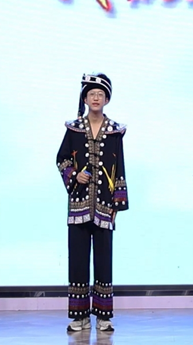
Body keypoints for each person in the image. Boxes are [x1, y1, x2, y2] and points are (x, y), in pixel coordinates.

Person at [56, 73, 129, 333]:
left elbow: (119, 167)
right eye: (91, 94)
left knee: (103, 260)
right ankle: (79, 316)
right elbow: (62, 159)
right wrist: (75, 175)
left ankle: (103, 316)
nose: (96, 98)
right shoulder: (74, 128)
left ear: (107, 99)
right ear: (85, 98)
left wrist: (117, 204)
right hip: (79, 204)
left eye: (100, 94)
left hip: (105, 205)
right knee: (77, 260)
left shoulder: (115, 131)